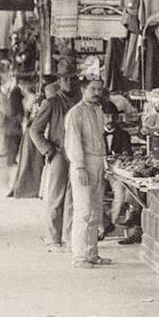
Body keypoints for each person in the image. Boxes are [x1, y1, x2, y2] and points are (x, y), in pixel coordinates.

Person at [29, 57, 81, 249]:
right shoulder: (51, 103)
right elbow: (34, 130)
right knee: (55, 197)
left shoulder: (80, 102)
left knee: (73, 197)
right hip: (59, 153)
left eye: (72, 78)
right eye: (65, 79)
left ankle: (68, 237)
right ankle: (53, 238)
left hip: (76, 154)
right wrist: (48, 149)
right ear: (59, 81)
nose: (69, 82)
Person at [65, 78, 112, 268]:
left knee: (96, 211)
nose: (96, 92)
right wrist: (79, 166)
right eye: (92, 89)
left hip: (98, 161)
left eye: (99, 89)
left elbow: (101, 138)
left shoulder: (98, 111)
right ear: (83, 89)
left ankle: (92, 253)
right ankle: (79, 257)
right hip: (83, 163)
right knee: (83, 210)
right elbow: (74, 142)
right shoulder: (76, 113)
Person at [100, 100, 136, 242]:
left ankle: (112, 223)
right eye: (107, 116)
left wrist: (119, 159)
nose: (110, 120)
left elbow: (129, 155)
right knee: (95, 195)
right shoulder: (96, 133)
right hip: (99, 171)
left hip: (116, 173)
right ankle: (103, 224)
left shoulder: (124, 135)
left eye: (113, 117)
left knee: (120, 194)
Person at [1, 75, 25, 194]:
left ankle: (9, 184)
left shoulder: (12, 93)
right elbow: (17, 112)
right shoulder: (16, 94)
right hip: (14, 130)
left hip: (11, 130)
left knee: (11, 158)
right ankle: (10, 185)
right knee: (13, 158)